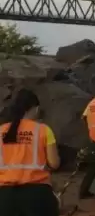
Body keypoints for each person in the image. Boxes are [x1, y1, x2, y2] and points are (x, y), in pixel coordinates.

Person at [0, 88, 61, 216]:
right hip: (37, 194)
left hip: (5, 195)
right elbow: (54, 163)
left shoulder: (1, 130)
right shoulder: (43, 130)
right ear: (36, 108)